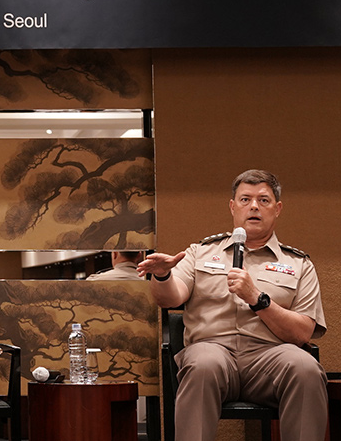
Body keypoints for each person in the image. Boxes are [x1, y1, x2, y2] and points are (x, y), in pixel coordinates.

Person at [137, 169, 327, 441]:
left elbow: (302, 332)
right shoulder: (200, 252)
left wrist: (258, 299)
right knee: (203, 364)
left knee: (306, 369)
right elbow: (169, 298)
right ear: (232, 206)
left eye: (263, 200)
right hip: (212, 351)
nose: (254, 206)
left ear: (277, 209)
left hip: (270, 357)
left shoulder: (299, 264)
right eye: (245, 199)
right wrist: (162, 275)